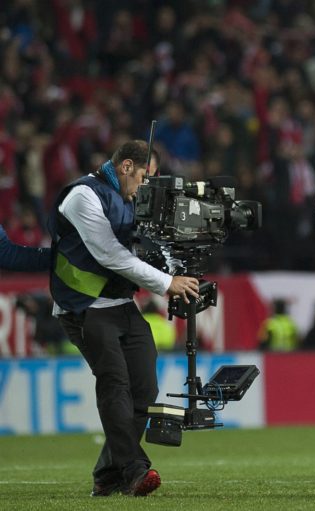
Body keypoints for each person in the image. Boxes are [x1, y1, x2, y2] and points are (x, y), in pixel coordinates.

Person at [48, 140, 200, 497]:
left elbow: (145, 248)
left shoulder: (130, 201)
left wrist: (174, 263)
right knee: (115, 384)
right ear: (126, 166)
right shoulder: (83, 195)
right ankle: (134, 470)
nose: (146, 186)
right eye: (145, 176)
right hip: (84, 306)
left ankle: (106, 474)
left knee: (144, 389)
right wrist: (166, 283)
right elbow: (110, 254)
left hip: (121, 305)